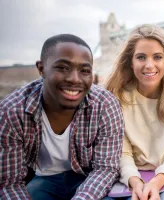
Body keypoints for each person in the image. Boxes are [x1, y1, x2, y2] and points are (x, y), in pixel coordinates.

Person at [0, 34, 124, 200]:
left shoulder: (105, 104)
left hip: (88, 178)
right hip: (43, 180)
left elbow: (106, 168)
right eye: (63, 68)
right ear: (41, 68)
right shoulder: (12, 111)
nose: (74, 79)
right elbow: (10, 182)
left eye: (85, 71)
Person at [105, 24, 164, 200]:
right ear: (130, 62)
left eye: (157, 57)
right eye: (141, 57)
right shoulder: (117, 96)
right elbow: (123, 153)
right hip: (130, 174)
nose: (149, 65)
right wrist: (135, 182)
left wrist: (156, 183)